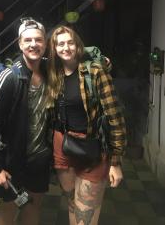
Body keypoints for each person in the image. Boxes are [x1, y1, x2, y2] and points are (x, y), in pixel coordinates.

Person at [46, 25, 126, 225]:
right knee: (72, 203)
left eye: (70, 42)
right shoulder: (53, 72)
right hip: (62, 144)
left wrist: (115, 162)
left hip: (92, 147)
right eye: (61, 43)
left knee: (85, 217)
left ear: (78, 45)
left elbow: (115, 117)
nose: (66, 47)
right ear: (54, 49)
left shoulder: (96, 71)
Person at [0, 18, 51, 225]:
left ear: (45, 44)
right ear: (19, 44)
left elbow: (74, 54)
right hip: (13, 160)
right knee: (7, 213)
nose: (33, 44)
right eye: (27, 40)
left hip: (39, 158)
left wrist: (100, 59)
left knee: (33, 206)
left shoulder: (50, 70)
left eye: (38, 40)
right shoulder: (9, 77)